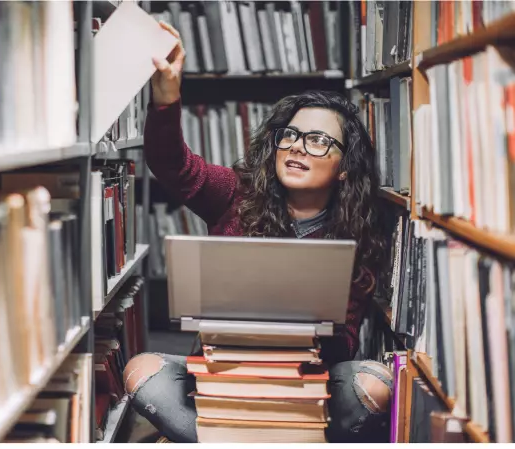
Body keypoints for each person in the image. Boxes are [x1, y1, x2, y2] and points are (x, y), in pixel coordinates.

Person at [124, 22, 393, 443]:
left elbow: (347, 345)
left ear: (344, 168)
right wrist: (167, 95)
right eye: (292, 135)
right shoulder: (236, 192)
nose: (299, 147)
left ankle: (232, 435)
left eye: (319, 140)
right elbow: (173, 165)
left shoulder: (356, 231)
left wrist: (301, 326)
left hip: (307, 384)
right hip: (221, 373)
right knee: (141, 373)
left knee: (375, 386)